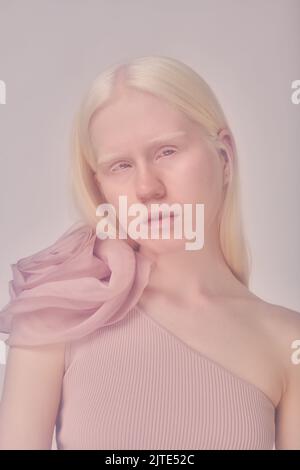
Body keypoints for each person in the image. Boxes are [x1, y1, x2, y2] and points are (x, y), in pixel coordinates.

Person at [0, 55, 299, 450]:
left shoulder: (286, 340)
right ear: (99, 186)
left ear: (223, 156)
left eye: (167, 152)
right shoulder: (60, 307)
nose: (147, 188)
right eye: (120, 165)